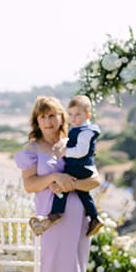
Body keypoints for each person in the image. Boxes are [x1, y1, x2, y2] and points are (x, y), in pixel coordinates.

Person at [15, 96, 102, 272]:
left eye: (52, 115)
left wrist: (71, 184)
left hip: (78, 215)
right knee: (51, 271)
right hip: (50, 219)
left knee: (75, 270)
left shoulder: (73, 142)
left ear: (62, 117)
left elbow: (95, 180)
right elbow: (30, 185)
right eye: (43, 116)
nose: (48, 121)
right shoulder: (32, 149)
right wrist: (54, 177)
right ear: (37, 120)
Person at [30, 94, 104, 237]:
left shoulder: (86, 131)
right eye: (71, 114)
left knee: (62, 188)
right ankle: (94, 217)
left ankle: (55, 214)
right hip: (79, 168)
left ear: (88, 115)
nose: (74, 118)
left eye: (78, 114)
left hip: (80, 168)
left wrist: (65, 152)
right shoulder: (77, 130)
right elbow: (29, 186)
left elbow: (82, 152)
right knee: (84, 194)